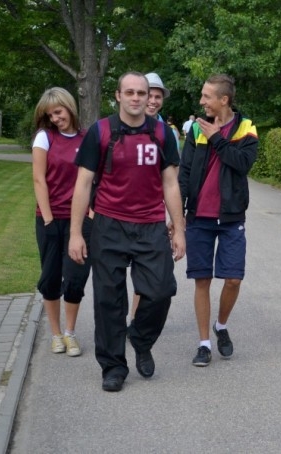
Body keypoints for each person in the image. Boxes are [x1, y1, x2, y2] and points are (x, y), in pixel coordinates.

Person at [68, 71, 186, 392]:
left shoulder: (162, 133)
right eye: (129, 92)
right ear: (118, 96)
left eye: (142, 93)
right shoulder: (101, 131)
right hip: (108, 224)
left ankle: (141, 338)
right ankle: (113, 367)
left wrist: (179, 230)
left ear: (150, 97)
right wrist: (76, 233)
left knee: (161, 290)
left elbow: (170, 183)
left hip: (150, 225)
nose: (136, 98)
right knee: (109, 299)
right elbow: (83, 183)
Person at [178, 74, 258, 367]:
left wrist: (216, 138)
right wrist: (178, 215)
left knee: (234, 279)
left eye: (206, 96)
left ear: (223, 100)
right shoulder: (196, 129)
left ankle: (221, 326)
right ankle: (204, 344)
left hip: (231, 217)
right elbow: (185, 173)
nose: (201, 101)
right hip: (199, 216)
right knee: (202, 280)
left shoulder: (246, 128)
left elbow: (242, 164)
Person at [31, 87, 92, 357]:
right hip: (50, 219)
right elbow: (38, 179)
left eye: (58, 112)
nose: (55, 118)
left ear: (69, 107)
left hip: (79, 220)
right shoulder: (45, 138)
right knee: (51, 277)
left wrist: (91, 212)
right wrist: (47, 219)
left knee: (76, 277)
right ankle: (55, 335)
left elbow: (95, 178)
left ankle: (70, 333)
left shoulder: (86, 137)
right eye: (50, 115)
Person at [128, 72, 175, 327]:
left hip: (151, 215)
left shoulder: (167, 134)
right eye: (151, 95)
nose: (154, 101)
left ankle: (136, 321)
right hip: (119, 216)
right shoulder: (120, 128)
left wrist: (174, 219)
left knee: (150, 275)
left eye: (158, 96)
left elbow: (172, 181)